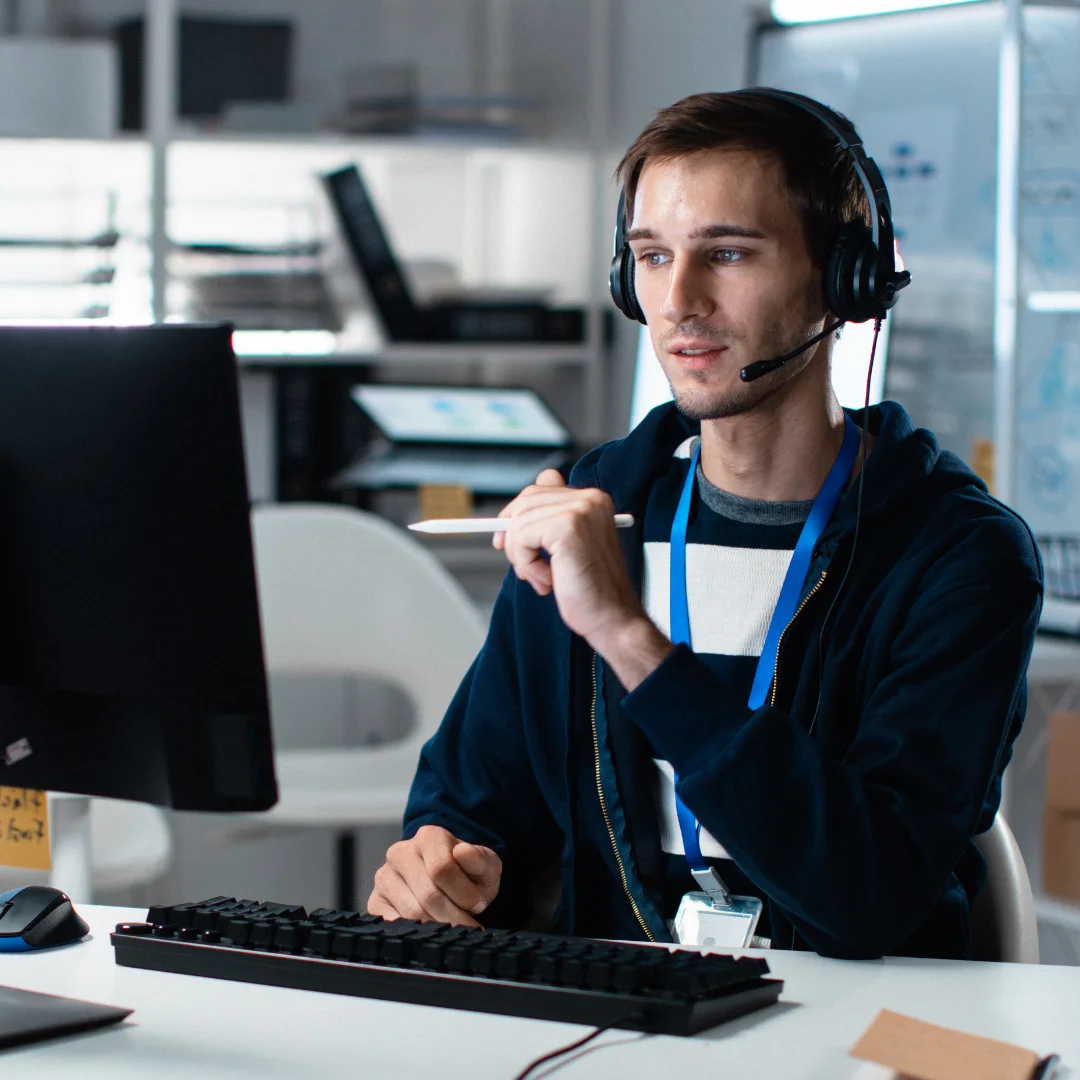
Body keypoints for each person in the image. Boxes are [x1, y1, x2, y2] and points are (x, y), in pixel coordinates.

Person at [368, 90, 1043, 959]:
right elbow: (472, 800)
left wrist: (626, 635)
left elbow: (870, 896)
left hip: (855, 1024)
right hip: (615, 1016)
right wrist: (443, 866)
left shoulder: (957, 557)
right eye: (651, 257)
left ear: (844, 282)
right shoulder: (594, 509)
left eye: (725, 253)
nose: (679, 300)